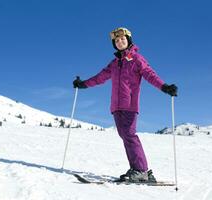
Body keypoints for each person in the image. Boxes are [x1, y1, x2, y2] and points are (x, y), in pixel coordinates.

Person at [73, 27, 178, 183]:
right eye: (116, 40)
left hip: (129, 104)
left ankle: (141, 171)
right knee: (125, 136)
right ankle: (138, 169)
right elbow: (100, 77)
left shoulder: (136, 59)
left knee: (129, 135)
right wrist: (84, 84)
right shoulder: (115, 63)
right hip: (116, 106)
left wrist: (164, 87)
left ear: (128, 40)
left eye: (122, 39)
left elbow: (150, 74)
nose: (119, 42)